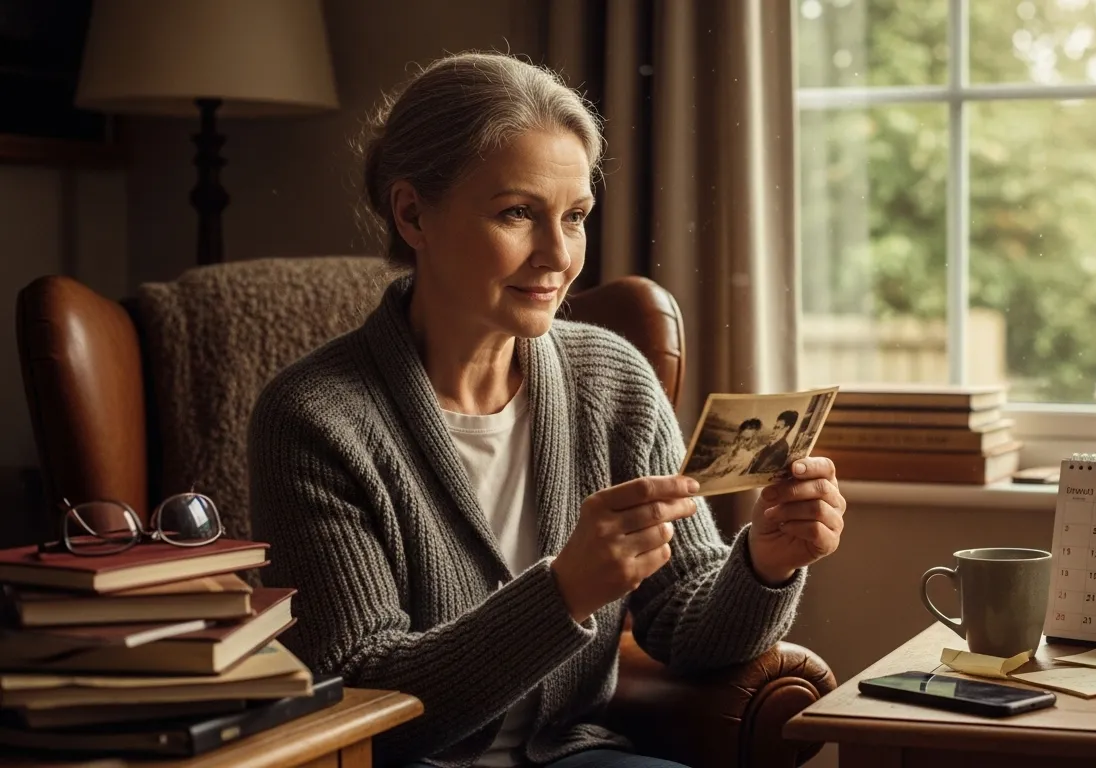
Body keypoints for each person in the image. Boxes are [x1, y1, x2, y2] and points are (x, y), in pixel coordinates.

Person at [247, 52, 847, 768]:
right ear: (412, 214)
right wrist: (564, 593)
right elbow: (359, 704)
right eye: (517, 214)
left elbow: (684, 628)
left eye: (575, 216)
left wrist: (765, 564)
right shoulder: (314, 419)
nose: (558, 256)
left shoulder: (615, 381)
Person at [747, 410, 799, 476]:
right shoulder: (774, 444)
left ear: (786, 428)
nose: (773, 431)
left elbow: (759, 469)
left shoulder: (781, 448)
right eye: (774, 427)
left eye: (777, 428)